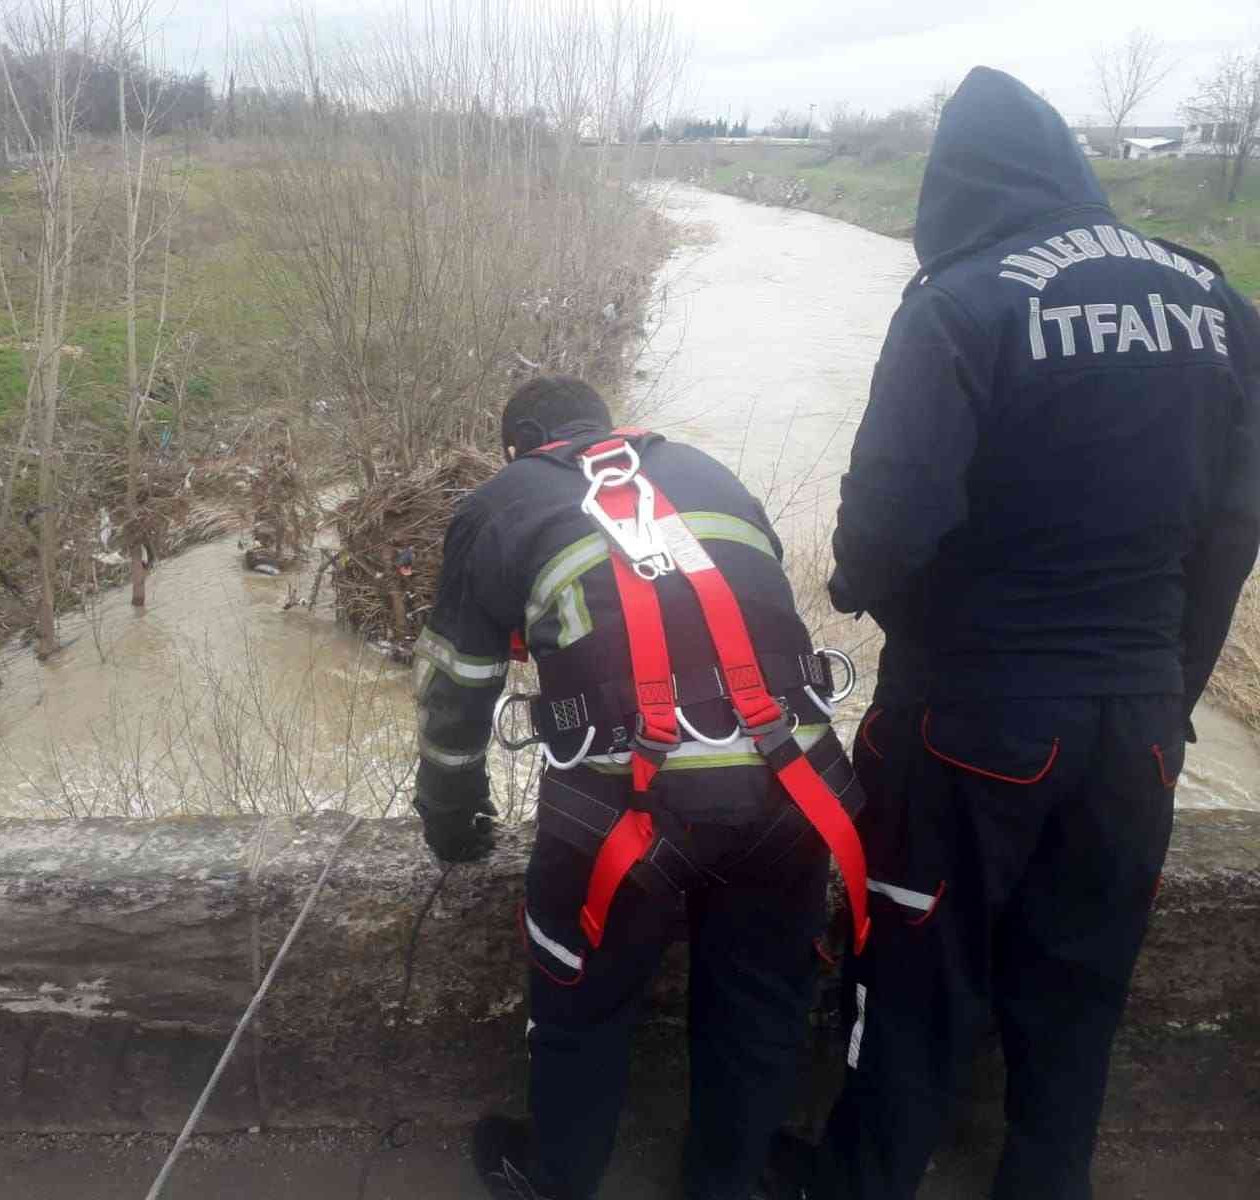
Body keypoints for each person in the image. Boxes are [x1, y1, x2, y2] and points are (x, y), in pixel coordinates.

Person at [770, 68, 1260, 1200]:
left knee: (917, 962)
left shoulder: (962, 299)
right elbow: (1232, 532)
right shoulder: (1218, 301)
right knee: (1082, 976)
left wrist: (874, 599)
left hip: (973, 715)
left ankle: (864, 1179)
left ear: (952, 185)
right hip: (1136, 719)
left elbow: (884, 529)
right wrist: (1166, 687)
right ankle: (1045, 1181)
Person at [411, 375, 871, 1200]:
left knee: (580, 1002)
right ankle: (726, 1183)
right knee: (758, 1005)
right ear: (607, 424)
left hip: (623, 812)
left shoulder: (499, 501)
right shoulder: (705, 470)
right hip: (789, 785)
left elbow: (459, 683)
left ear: (520, 447)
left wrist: (450, 817)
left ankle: (555, 1176)